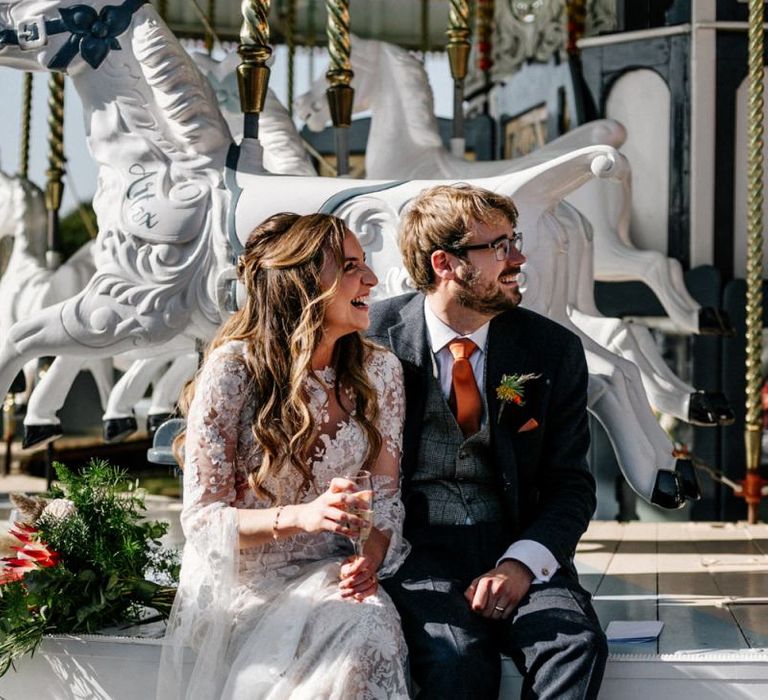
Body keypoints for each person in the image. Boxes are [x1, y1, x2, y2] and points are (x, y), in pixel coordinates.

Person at [367, 184, 608, 699]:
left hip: (514, 538)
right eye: (499, 247)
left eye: (513, 240)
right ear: (445, 263)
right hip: (415, 551)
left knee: (576, 643)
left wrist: (522, 564)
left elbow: (571, 485)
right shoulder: (369, 339)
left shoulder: (551, 349)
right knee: (457, 658)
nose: (518, 257)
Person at [158, 212, 411, 700]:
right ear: (303, 280)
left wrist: (369, 560)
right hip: (251, 589)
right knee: (357, 637)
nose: (372, 279)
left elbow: (385, 502)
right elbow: (204, 522)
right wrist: (306, 516)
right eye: (352, 265)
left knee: (369, 629)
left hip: (336, 578)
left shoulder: (380, 371)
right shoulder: (233, 371)